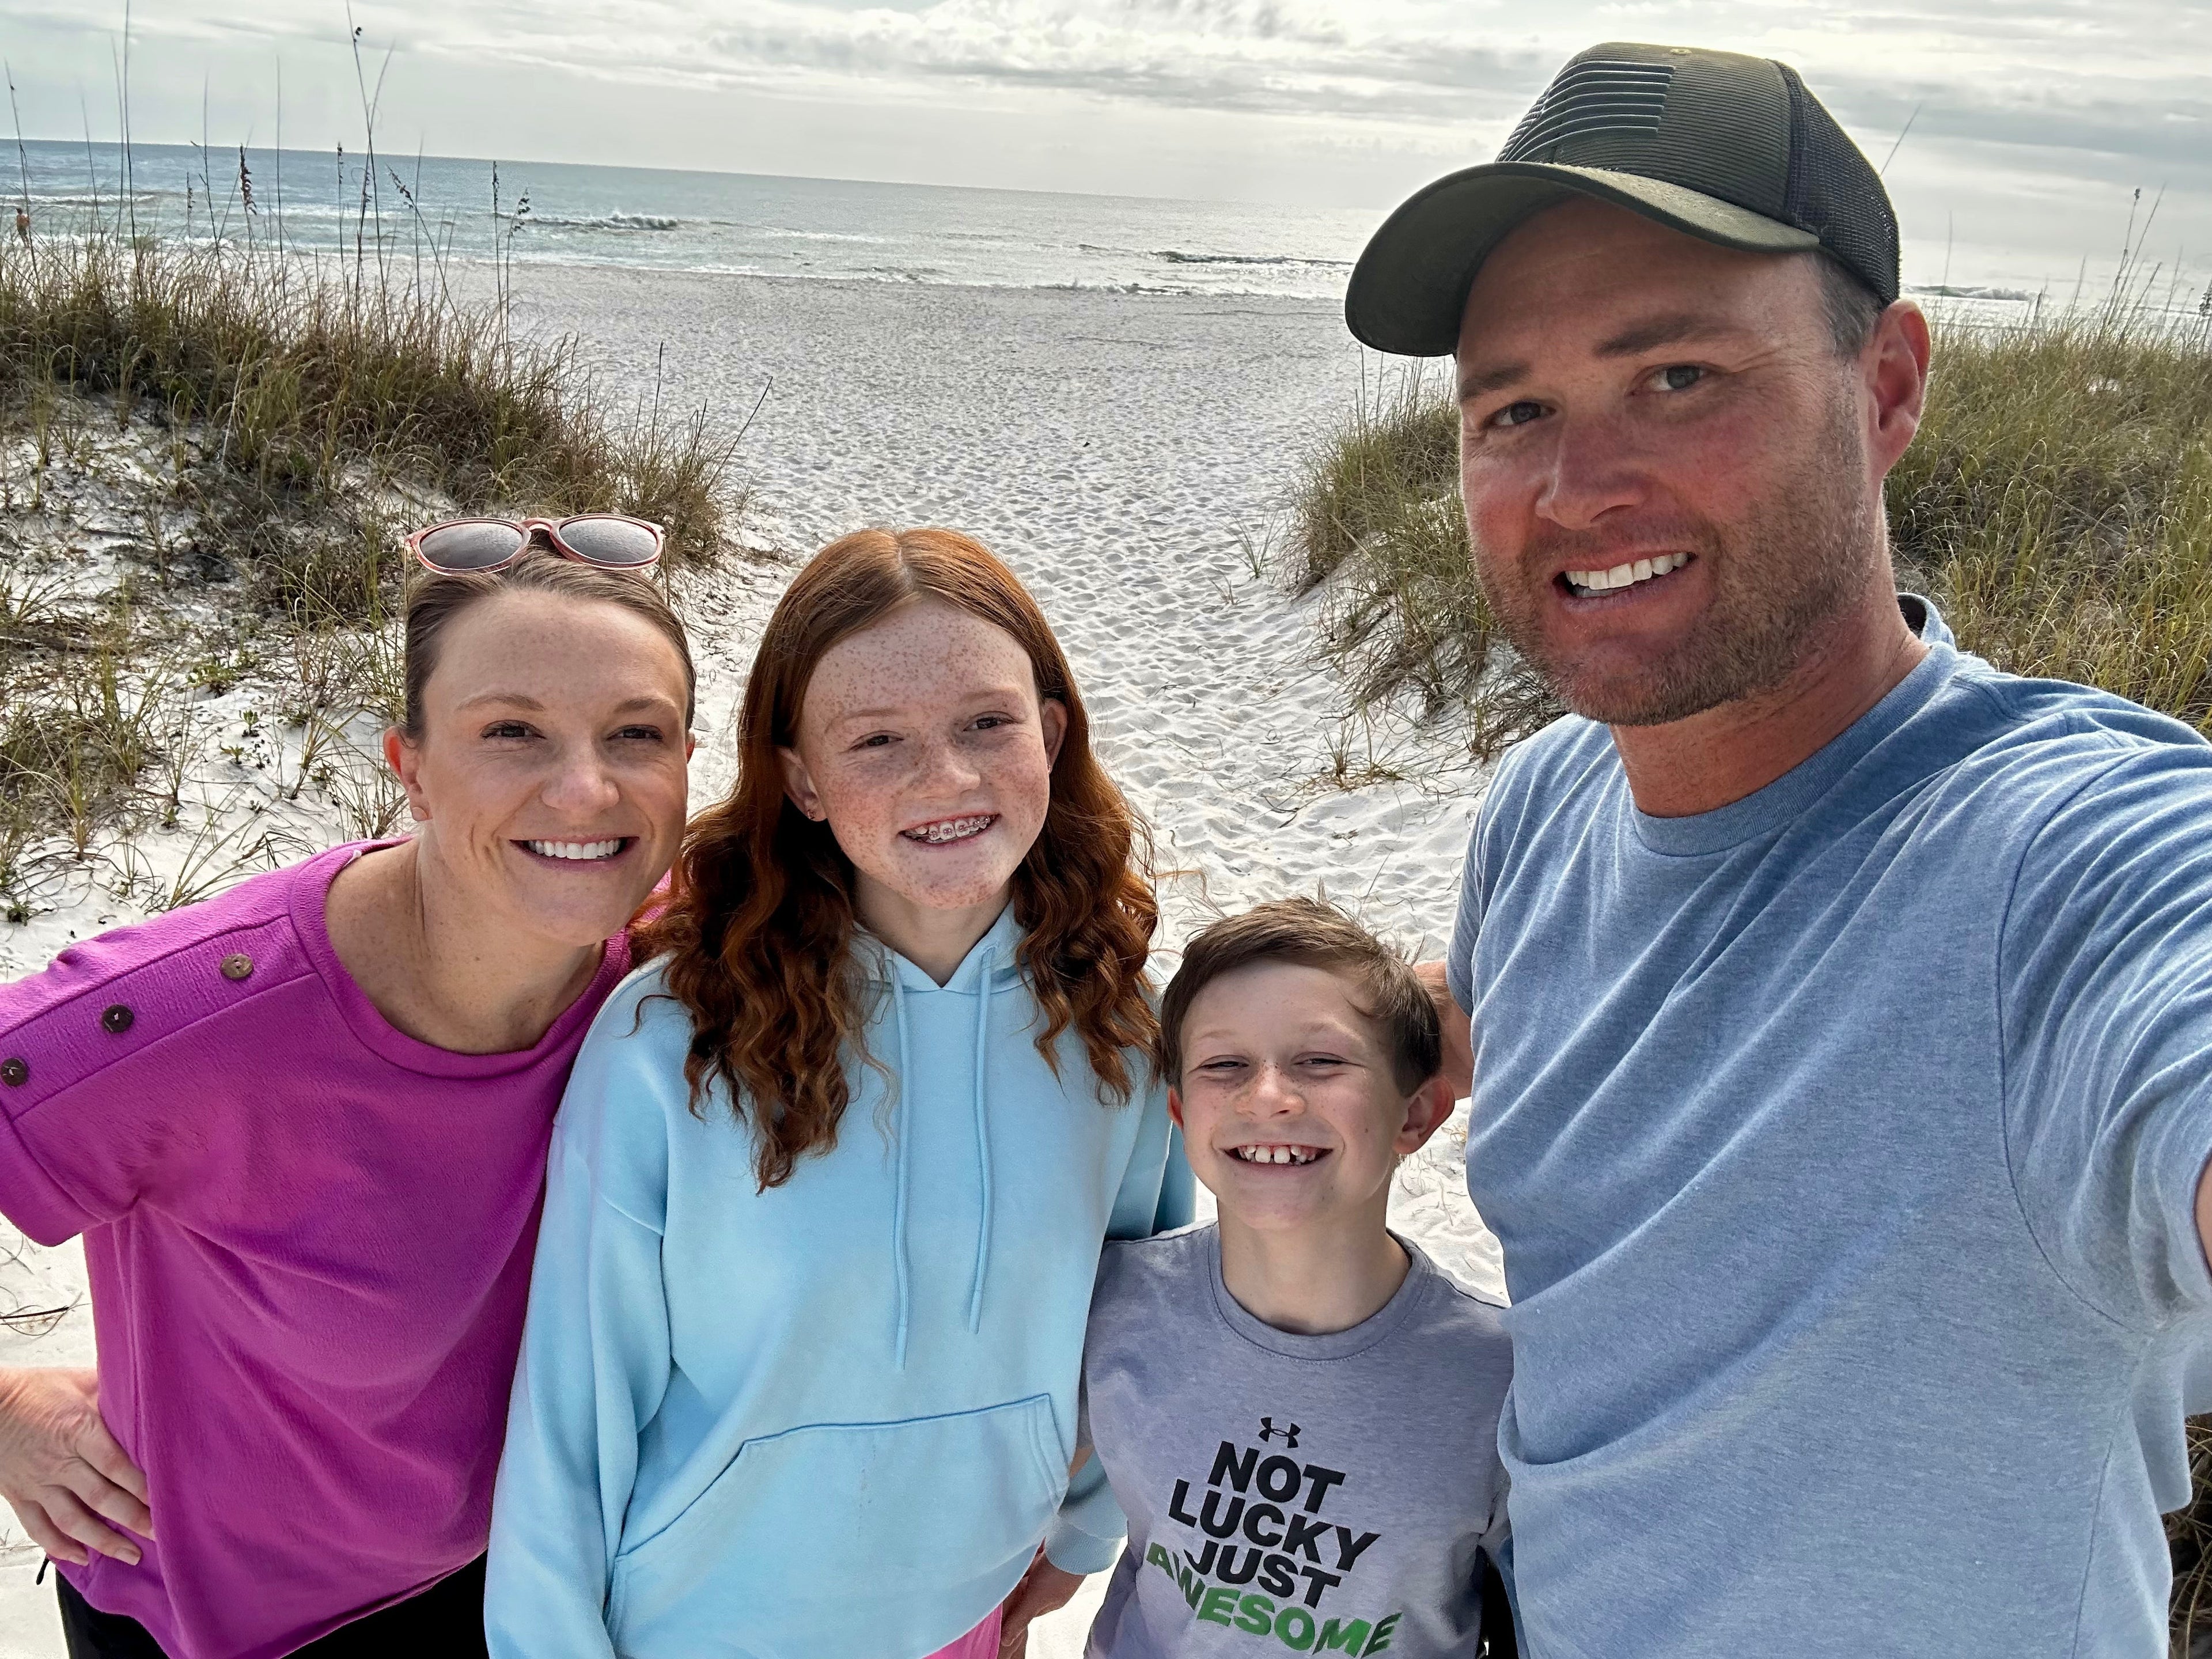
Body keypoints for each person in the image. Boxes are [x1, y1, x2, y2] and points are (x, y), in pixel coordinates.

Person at [1344, 38, 2212, 1658]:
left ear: (1886, 388)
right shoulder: (1549, 804)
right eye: (1512, 410)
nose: (1576, 486)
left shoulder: (2071, 859)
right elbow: (1505, 1016)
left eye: (1678, 378)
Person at [482, 527, 1192, 1659]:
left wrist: (1081, 1528)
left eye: (987, 724)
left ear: (1051, 734)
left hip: (969, 1614)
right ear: (804, 781)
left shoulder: (1118, 1018)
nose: (947, 778)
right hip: (699, 1629)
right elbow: (575, 1413)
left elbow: (1144, 1310)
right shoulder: (675, 1041)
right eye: (877, 741)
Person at [0, 541, 696, 1658]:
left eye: (636, 734)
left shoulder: (673, 953)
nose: (584, 788)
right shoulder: (194, 1019)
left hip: (520, 1585)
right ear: (409, 767)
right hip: (227, 1630)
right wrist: (4, 1414)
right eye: (510, 730)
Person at [1067, 898, 1512, 1659]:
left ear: (1417, 1115)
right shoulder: (1108, 1306)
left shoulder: (1502, 1382)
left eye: (1321, 1061)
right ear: (1180, 1112)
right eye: (1224, 1065)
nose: (1267, 1095)